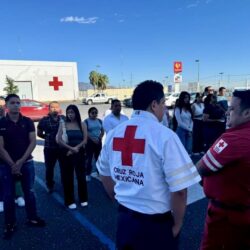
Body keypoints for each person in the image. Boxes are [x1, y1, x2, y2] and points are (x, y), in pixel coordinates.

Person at [97, 80, 201, 250]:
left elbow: (104, 173)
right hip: (156, 225)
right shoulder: (165, 136)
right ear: (154, 105)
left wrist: (117, 198)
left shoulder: (115, 134)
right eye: (163, 104)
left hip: (125, 221)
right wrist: (177, 224)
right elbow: (180, 191)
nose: (164, 109)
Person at [196, 90, 250, 249]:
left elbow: (200, 169)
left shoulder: (235, 138)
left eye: (232, 109)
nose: (227, 112)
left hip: (226, 218)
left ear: (247, 113)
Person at [0, 94, 45, 239]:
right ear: (6, 105)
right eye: (12, 103)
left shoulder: (28, 121)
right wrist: (13, 164)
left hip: (26, 164)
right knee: (8, 195)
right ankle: (10, 223)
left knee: (30, 192)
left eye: (18, 103)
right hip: (6, 165)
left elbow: (32, 142)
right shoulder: (1, 123)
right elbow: (0, 148)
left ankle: (32, 218)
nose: (16, 105)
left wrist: (20, 162)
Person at [57, 104, 88, 209]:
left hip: (79, 152)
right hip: (66, 153)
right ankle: (70, 201)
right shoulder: (63, 124)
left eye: (72, 112)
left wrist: (75, 148)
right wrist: (70, 149)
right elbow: (59, 140)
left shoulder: (82, 124)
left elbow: (85, 140)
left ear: (76, 113)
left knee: (81, 176)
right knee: (68, 177)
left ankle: (83, 198)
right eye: (68, 112)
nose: (70, 115)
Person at [37, 101, 64, 193]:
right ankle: (50, 184)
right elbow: (39, 133)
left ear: (59, 108)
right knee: (49, 168)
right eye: (52, 107)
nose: (55, 109)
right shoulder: (44, 120)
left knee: (64, 167)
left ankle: (64, 183)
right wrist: (48, 137)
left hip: (62, 148)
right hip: (49, 148)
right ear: (49, 108)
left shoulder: (63, 119)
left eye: (56, 107)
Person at [84, 107, 104, 181]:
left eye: (96, 112)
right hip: (90, 142)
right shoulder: (86, 121)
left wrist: (100, 138)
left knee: (98, 158)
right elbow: (86, 132)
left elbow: (102, 130)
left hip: (98, 142)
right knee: (89, 159)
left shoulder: (99, 121)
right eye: (92, 113)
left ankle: (98, 173)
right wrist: (93, 140)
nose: (94, 114)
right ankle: (87, 174)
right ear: (89, 114)